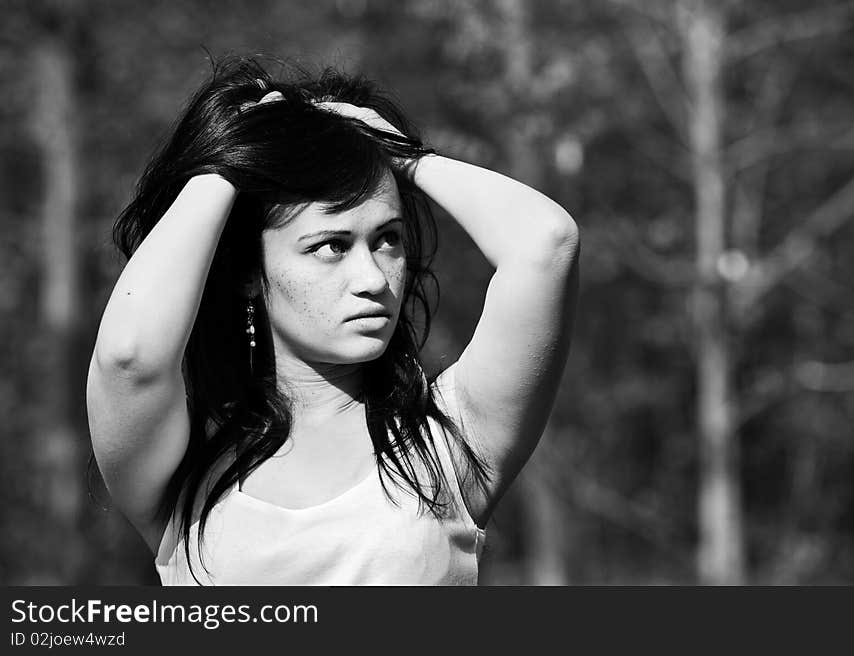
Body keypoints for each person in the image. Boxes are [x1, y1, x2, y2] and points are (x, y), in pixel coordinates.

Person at [86, 56, 580, 585]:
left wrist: (402, 155)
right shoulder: (182, 471)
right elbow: (128, 357)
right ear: (248, 272)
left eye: (386, 238)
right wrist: (232, 158)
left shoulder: (451, 439)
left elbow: (545, 243)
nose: (372, 276)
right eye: (331, 246)